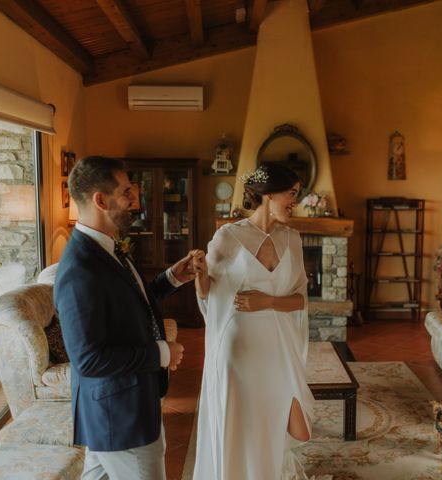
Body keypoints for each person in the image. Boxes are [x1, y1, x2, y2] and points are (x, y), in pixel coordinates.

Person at [54, 156, 193, 480]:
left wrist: (173, 277)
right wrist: (162, 352)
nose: (135, 199)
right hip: (119, 417)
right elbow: (88, 360)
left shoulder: (109, 248)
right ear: (101, 200)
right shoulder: (80, 270)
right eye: (127, 191)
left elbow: (132, 303)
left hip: (126, 407)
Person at [191, 162, 319, 480]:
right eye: (291, 193)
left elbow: (301, 299)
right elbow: (208, 295)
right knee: (241, 424)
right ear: (268, 193)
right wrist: (199, 275)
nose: (295, 201)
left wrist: (269, 302)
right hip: (239, 348)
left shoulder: (292, 239)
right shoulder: (228, 236)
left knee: (299, 428)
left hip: (277, 344)